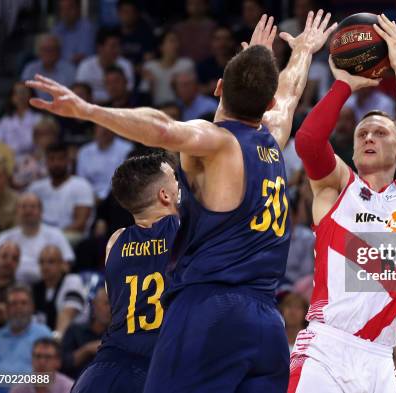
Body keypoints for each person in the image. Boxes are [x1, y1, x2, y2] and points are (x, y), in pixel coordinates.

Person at [27, 11, 335, 392]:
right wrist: (304, 51)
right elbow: (288, 93)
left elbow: (161, 127)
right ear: (267, 101)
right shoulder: (273, 139)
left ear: (218, 88)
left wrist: (90, 111)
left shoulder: (217, 143)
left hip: (210, 309)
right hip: (266, 323)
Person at [288, 14, 396, 393]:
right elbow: (307, 142)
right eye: (362, 133)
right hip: (325, 347)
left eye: (381, 132)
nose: (369, 136)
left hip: (380, 359)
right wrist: (342, 86)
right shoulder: (338, 187)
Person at [71, 153, 179, 393]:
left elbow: (114, 299)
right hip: (154, 369)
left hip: (102, 370)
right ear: (164, 194)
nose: (179, 185)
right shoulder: (186, 231)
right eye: (174, 179)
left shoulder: (115, 241)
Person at [0, 193, 75, 284]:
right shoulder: (4, 237)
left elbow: (66, 265)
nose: (28, 211)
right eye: (23, 207)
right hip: (9, 288)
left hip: (45, 286)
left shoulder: (56, 235)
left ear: (41, 211)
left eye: (32, 207)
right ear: (17, 211)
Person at [28, 143, 95, 241]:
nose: (56, 163)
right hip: (40, 236)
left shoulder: (81, 185)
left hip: (70, 237)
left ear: (68, 161)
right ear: (46, 162)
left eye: (60, 159)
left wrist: (53, 236)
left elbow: (81, 224)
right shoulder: (36, 188)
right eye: (52, 159)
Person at [0, 285, 51, 373]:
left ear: (32, 307)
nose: (19, 308)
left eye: (23, 303)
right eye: (14, 304)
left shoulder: (44, 335)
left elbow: (47, 377)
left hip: (32, 386)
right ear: (7, 309)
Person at [32, 245, 88, 338]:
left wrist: (57, 338)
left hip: (73, 338)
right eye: (41, 262)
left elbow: (67, 314)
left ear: (62, 264)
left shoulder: (72, 281)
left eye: (51, 262)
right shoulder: (36, 288)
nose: (45, 267)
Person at [60, 287, 110, 379]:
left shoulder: (116, 335)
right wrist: (87, 349)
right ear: (94, 305)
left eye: (113, 304)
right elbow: (63, 364)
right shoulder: (75, 330)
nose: (110, 309)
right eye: (106, 303)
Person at [75, 27, 135, 103]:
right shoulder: (85, 66)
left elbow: (128, 93)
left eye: (118, 46)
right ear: (100, 48)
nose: (117, 50)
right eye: (113, 46)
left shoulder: (126, 65)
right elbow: (79, 93)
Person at [76, 125, 133, 201]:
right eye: (100, 127)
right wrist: (91, 196)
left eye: (107, 127)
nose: (104, 130)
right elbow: (81, 180)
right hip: (90, 197)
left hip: (117, 198)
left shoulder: (127, 149)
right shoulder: (84, 151)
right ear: (95, 129)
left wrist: (103, 197)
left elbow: (124, 180)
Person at [141, 30, 195, 106]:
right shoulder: (150, 67)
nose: (176, 45)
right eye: (171, 41)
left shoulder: (186, 65)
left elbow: (194, 91)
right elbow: (143, 95)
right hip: (157, 107)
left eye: (177, 41)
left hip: (181, 108)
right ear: (161, 46)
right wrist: (150, 84)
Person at [21, 34, 76, 100]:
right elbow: (23, 91)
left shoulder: (70, 70)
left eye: (52, 49)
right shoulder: (30, 69)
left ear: (59, 51)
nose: (48, 53)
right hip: (34, 108)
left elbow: (73, 96)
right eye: (45, 49)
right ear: (39, 51)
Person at [9, 338, 74, 393]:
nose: (41, 362)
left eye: (48, 357)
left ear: (58, 362)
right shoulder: (19, 388)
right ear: (32, 360)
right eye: (38, 356)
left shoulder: (69, 389)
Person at [51, 0, 96, 65]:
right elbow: (51, 55)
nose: (66, 12)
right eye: (62, 9)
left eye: (69, 8)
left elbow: (82, 57)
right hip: (60, 71)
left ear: (78, 9)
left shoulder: (87, 28)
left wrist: (61, 59)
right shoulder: (57, 29)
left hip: (80, 70)